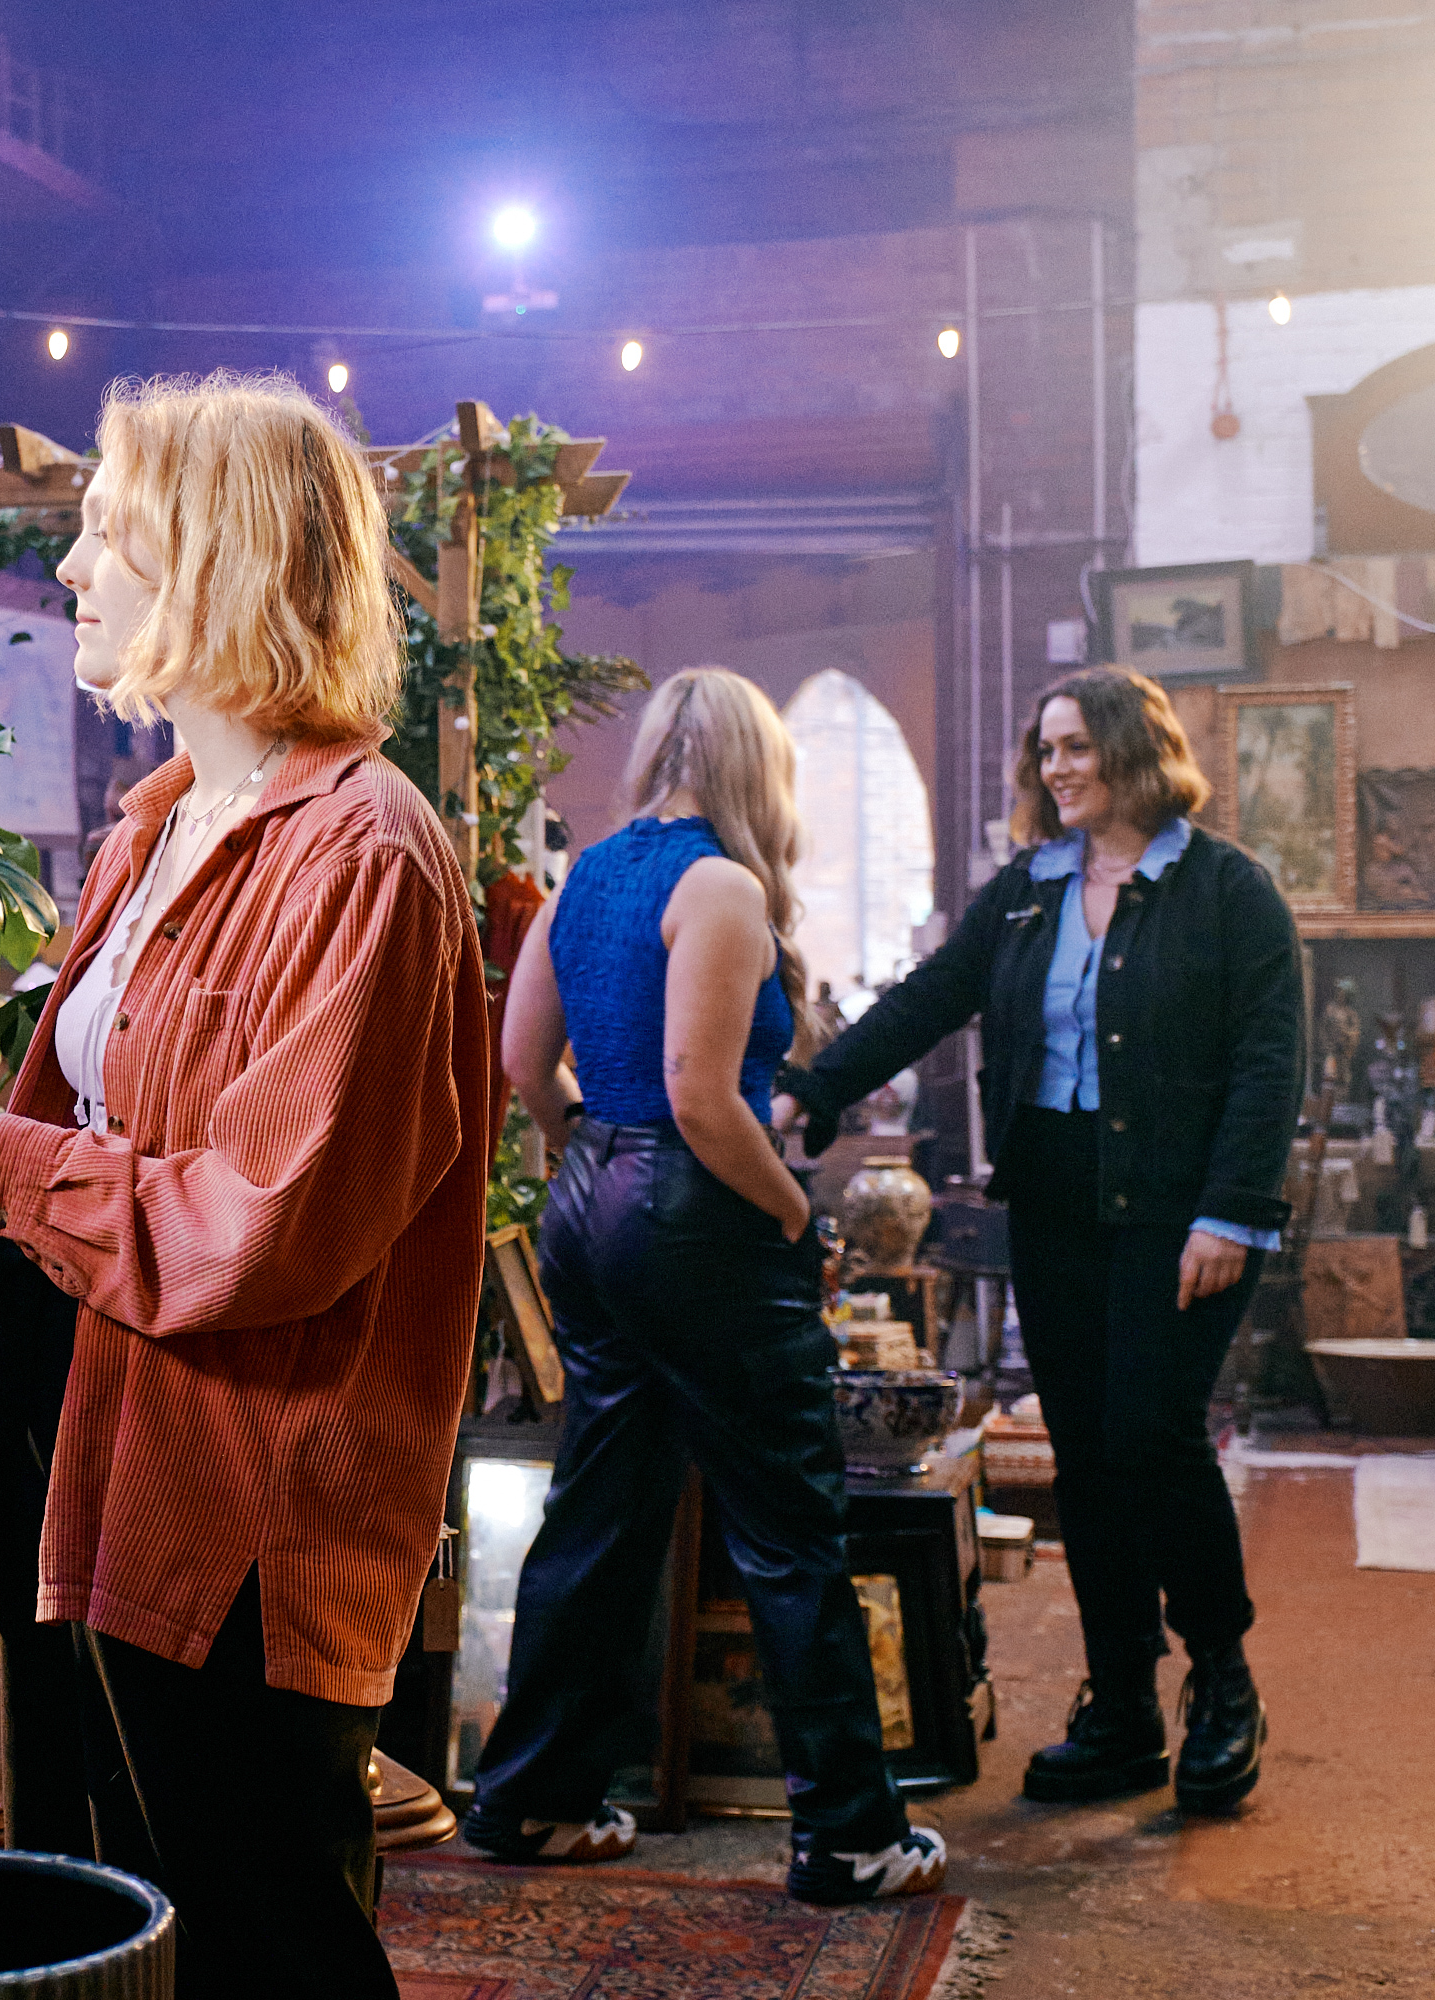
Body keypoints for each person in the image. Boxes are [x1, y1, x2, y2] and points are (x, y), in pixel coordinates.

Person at [0, 371, 490, 1999]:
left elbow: (267, 1222)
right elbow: (83, 1171)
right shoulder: (152, 832)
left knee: (258, 1938)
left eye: (111, 533)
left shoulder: (362, 851)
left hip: (246, 1489)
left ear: (219, 557)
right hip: (84, 1432)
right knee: (102, 1920)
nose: (72, 570)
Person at [464, 668, 948, 1907]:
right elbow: (700, 1094)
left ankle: (532, 1797)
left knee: (600, 1506)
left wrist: (588, 1153)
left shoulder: (584, 877)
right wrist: (792, 1210)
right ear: (756, 768)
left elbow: (523, 1062)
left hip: (589, 1203)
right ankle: (848, 1833)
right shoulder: (721, 885)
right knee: (788, 1524)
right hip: (695, 1212)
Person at [777, 666, 1297, 1815]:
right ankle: (1121, 1705)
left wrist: (1230, 1209)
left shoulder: (1227, 890)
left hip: (1179, 1214)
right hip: (1055, 1209)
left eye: (1075, 745)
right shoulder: (1026, 890)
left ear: (1134, 749)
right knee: (1088, 1452)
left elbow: (1270, 1062)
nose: (1055, 767)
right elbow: (930, 995)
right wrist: (818, 1086)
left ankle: (1222, 1676)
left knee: (1154, 1436)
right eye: (1045, 749)